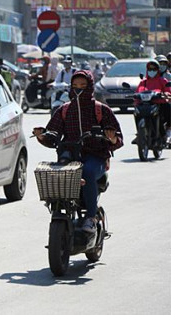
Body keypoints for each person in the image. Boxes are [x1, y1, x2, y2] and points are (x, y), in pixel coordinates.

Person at [33, 70, 123, 233]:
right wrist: (41, 136)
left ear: (90, 86)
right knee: (55, 173)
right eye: (75, 86)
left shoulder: (101, 110)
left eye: (83, 85)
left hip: (96, 157)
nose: (78, 89)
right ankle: (60, 211)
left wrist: (112, 139)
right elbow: (52, 136)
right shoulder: (64, 110)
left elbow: (118, 139)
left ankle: (90, 216)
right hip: (70, 156)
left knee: (87, 172)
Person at [136, 59, 171, 145]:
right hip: (145, 104)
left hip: (159, 103)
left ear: (157, 70)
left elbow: (168, 90)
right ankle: (139, 134)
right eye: (150, 69)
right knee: (136, 112)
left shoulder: (162, 80)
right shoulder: (143, 82)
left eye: (154, 69)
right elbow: (138, 91)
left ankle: (165, 133)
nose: (152, 71)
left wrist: (166, 94)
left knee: (168, 108)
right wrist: (136, 96)